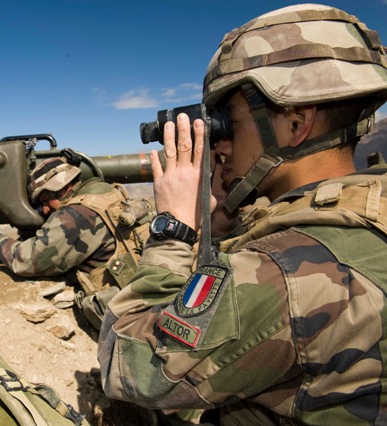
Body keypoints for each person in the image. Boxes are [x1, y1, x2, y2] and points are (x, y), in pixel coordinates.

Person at [98, 4, 387, 424]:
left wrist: (172, 230)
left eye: (226, 124)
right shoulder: (364, 215)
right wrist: (222, 228)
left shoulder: (286, 269)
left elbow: (129, 367)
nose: (219, 147)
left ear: (296, 122)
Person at [0, 156, 151, 329]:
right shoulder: (107, 192)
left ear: (59, 187)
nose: (46, 209)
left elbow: (27, 261)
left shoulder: (75, 215)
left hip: (129, 318)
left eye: (45, 200)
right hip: (144, 292)